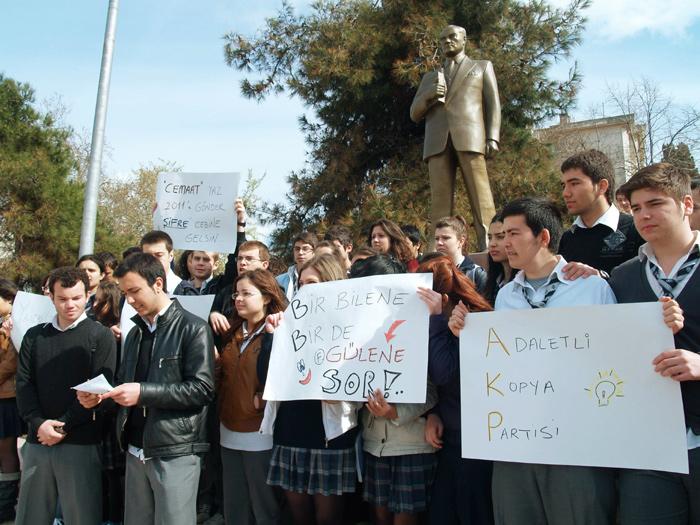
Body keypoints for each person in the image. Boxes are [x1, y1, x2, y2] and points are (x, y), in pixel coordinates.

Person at [450, 197, 618, 524]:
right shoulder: (508, 295)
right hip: (517, 441)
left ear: (542, 237)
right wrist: (467, 335)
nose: (504, 243)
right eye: (501, 234)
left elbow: (612, 362)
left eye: (513, 233)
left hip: (577, 446)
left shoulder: (590, 287)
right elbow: (499, 364)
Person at [79, 252, 215, 525]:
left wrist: (143, 392)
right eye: (124, 293)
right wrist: (101, 397)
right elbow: (123, 384)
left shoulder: (193, 328)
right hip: (134, 448)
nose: (129, 300)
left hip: (175, 450)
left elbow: (202, 390)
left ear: (157, 283)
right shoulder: (136, 332)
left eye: (134, 291)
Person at [609, 163, 700, 524]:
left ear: (687, 205)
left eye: (656, 204)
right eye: (636, 208)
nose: (644, 215)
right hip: (647, 447)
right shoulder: (622, 276)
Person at [261, 253, 359, 525]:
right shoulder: (285, 323)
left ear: (331, 283)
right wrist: (271, 339)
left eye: (313, 283)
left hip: (329, 436)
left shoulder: (351, 327)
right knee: (298, 514)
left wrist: (343, 395)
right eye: (302, 283)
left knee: (328, 518)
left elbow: (364, 381)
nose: (305, 289)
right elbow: (265, 377)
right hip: (291, 430)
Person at [16, 267, 117, 525]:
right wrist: (39, 423)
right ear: (51, 297)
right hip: (39, 439)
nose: (69, 304)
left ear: (88, 296)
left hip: (80, 441)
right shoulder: (35, 335)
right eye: (62, 298)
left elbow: (100, 389)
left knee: (81, 515)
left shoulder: (100, 335)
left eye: (76, 297)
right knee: (30, 514)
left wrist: (63, 425)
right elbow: (24, 385)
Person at [350, 254, 438, 525]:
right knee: (379, 515)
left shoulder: (416, 323)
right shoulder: (354, 331)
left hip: (411, 443)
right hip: (373, 443)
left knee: (405, 518)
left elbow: (434, 390)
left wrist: (395, 412)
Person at [415, 254, 494, 525]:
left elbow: (444, 372)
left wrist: (436, 321)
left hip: (476, 440)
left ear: (444, 300)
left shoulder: (474, 321)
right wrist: (433, 413)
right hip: (450, 435)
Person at [410, 24, 500, 251]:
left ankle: (491, 245)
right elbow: (414, 113)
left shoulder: (481, 67)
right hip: (437, 142)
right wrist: (429, 95)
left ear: (464, 39)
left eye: (452, 37)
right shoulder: (431, 77)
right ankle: (435, 251)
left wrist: (492, 137)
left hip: (471, 137)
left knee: (481, 199)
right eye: (443, 39)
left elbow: (493, 105)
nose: (447, 42)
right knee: (440, 204)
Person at [217, 269, 287, 525]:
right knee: (234, 504)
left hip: (260, 433)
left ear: (267, 297)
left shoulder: (279, 332)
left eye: (247, 294)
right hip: (228, 427)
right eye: (237, 293)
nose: (239, 299)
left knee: (264, 505)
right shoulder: (231, 332)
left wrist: (262, 399)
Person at [558, 149, 644, 277]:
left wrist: (600, 277)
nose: (565, 193)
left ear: (602, 186)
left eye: (574, 183)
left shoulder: (636, 229)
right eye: (563, 185)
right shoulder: (567, 238)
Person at [209, 240, 272, 335]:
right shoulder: (226, 291)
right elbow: (212, 310)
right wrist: (213, 314)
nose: (242, 262)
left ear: (264, 265)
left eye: (249, 259)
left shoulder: (275, 290)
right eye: (239, 258)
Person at [0, 279, 22, 522]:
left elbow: (11, 361)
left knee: (6, 451)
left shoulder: (15, 323)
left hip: (7, 396)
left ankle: (6, 506)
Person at [433, 216, 487, 293]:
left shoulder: (476, 274)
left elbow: (485, 304)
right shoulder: (431, 272)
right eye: (437, 238)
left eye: (445, 238)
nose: (439, 243)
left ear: (461, 241)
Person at [140, 230, 198, 296]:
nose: (153, 261)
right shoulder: (133, 290)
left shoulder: (186, 292)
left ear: (170, 255)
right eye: (148, 256)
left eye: (159, 255)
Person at [276, 231, 318, 299]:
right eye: (297, 249)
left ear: (314, 252)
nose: (300, 252)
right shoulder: (279, 281)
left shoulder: (323, 278)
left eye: (305, 249)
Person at [483, 213, 513, 305]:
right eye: (490, 238)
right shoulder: (493, 281)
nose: (492, 244)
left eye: (500, 237)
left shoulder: (524, 281)